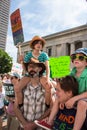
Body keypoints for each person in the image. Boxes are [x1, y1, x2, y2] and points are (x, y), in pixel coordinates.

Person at [34, 47, 87, 130]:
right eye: (74, 57)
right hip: (75, 97)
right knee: (58, 98)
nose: (76, 59)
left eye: (81, 57)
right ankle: (49, 122)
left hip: (83, 99)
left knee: (82, 103)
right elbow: (69, 89)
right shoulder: (72, 72)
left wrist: (74, 99)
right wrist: (64, 100)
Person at [14, 60, 56, 130]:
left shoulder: (47, 86)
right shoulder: (22, 86)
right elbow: (16, 108)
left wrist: (35, 124)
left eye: (34, 66)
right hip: (23, 127)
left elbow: (52, 108)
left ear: (40, 69)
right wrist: (25, 124)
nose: (31, 69)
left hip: (40, 128)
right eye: (29, 67)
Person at [15, 35, 51, 106]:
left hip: (41, 75)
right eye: (37, 43)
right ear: (33, 45)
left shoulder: (44, 55)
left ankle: (47, 105)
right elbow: (25, 69)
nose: (39, 45)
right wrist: (22, 61)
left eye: (40, 43)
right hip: (29, 75)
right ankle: (20, 104)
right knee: (17, 88)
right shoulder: (28, 55)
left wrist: (47, 78)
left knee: (48, 87)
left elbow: (47, 67)